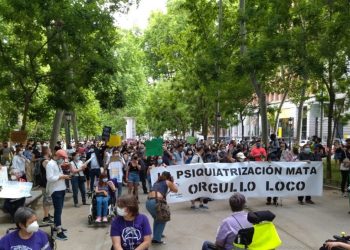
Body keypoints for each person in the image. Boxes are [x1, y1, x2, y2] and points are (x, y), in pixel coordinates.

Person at [145, 171, 178, 244]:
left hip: (148, 202)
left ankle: (157, 234)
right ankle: (156, 239)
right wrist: (172, 181)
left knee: (157, 219)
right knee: (163, 218)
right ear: (168, 177)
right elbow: (176, 190)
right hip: (156, 202)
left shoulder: (156, 182)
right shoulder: (167, 181)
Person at [46, 149, 71, 240]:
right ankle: (59, 231)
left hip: (61, 188)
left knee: (59, 211)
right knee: (58, 210)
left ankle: (58, 225)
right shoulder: (50, 164)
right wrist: (61, 176)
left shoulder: (57, 164)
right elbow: (50, 178)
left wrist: (65, 175)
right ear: (58, 156)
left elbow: (58, 174)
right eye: (62, 158)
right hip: (56, 190)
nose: (63, 160)